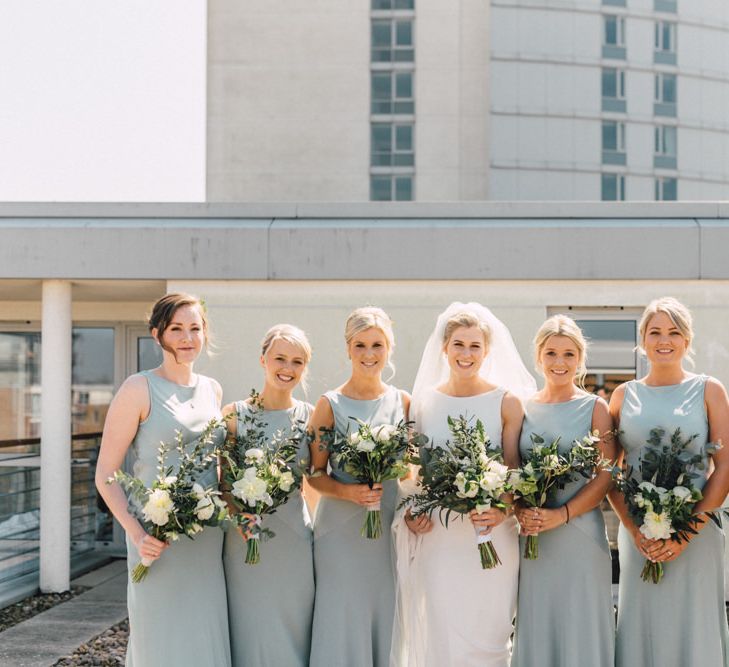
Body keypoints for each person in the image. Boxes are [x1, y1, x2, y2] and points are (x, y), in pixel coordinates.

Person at [395, 303, 535, 667]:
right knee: (442, 631)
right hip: (440, 539)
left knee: (490, 632)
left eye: (475, 346)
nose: (466, 353)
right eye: (459, 344)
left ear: (487, 351)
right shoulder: (425, 403)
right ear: (445, 348)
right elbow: (415, 476)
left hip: (492, 534)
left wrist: (500, 507)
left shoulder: (507, 403)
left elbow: (513, 472)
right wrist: (412, 514)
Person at [95, 293, 230, 667]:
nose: (187, 337)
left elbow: (215, 464)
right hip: (154, 541)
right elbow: (106, 474)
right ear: (158, 335)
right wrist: (137, 535)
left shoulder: (212, 389)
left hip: (206, 539)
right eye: (176, 329)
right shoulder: (137, 389)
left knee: (204, 633)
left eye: (195, 328)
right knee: (158, 638)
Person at [608, 297, 729, 667]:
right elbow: (610, 473)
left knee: (694, 627)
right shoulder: (622, 395)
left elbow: (724, 466)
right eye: (655, 331)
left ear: (687, 340)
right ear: (642, 340)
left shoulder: (710, 390)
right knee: (643, 627)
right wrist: (634, 529)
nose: (665, 340)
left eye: (674, 332)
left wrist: (684, 533)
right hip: (638, 537)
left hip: (697, 533)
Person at [511, 315, 615, 667]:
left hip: (580, 536)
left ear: (580, 359)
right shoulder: (522, 409)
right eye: (551, 353)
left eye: (569, 354)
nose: (559, 362)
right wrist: (521, 508)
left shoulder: (595, 408)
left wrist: (563, 514)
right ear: (538, 357)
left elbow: (605, 476)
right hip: (535, 537)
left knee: (580, 629)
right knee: (539, 625)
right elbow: (511, 469)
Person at [308, 307, 409, 667]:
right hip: (340, 531)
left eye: (377, 345)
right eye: (361, 345)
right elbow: (314, 473)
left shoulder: (403, 402)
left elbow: (411, 472)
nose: (369, 354)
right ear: (348, 348)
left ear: (389, 348)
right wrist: (348, 492)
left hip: (387, 530)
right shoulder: (329, 404)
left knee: (385, 609)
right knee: (342, 612)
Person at [222, 324, 315, 667]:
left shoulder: (310, 417)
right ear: (263, 359)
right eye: (280, 358)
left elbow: (315, 481)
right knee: (248, 628)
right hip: (242, 540)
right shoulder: (234, 415)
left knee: (295, 627)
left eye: (297, 362)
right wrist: (238, 516)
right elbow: (223, 483)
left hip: (294, 542)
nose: (287, 369)